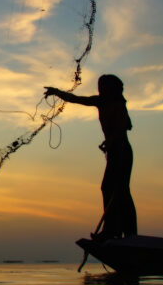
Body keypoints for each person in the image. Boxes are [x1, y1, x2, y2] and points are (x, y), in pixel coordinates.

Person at [44, 75, 137, 240]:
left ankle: (125, 232)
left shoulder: (118, 104)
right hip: (114, 152)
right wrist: (56, 92)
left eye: (103, 86)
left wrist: (109, 141)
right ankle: (113, 229)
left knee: (119, 190)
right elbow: (77, 99)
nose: (100, 89)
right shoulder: (100, 102)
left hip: (122, 151)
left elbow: (124, 127)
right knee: (110, 188)